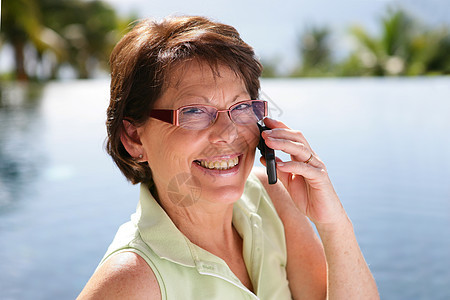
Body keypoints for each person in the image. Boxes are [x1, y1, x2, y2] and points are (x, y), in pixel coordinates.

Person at [78, 16, 379, 299]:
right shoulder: (129, 281)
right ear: (134, 138)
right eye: (194, 111)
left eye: (241, 108)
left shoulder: (271, 198)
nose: (227, 134)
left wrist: (333, 224)